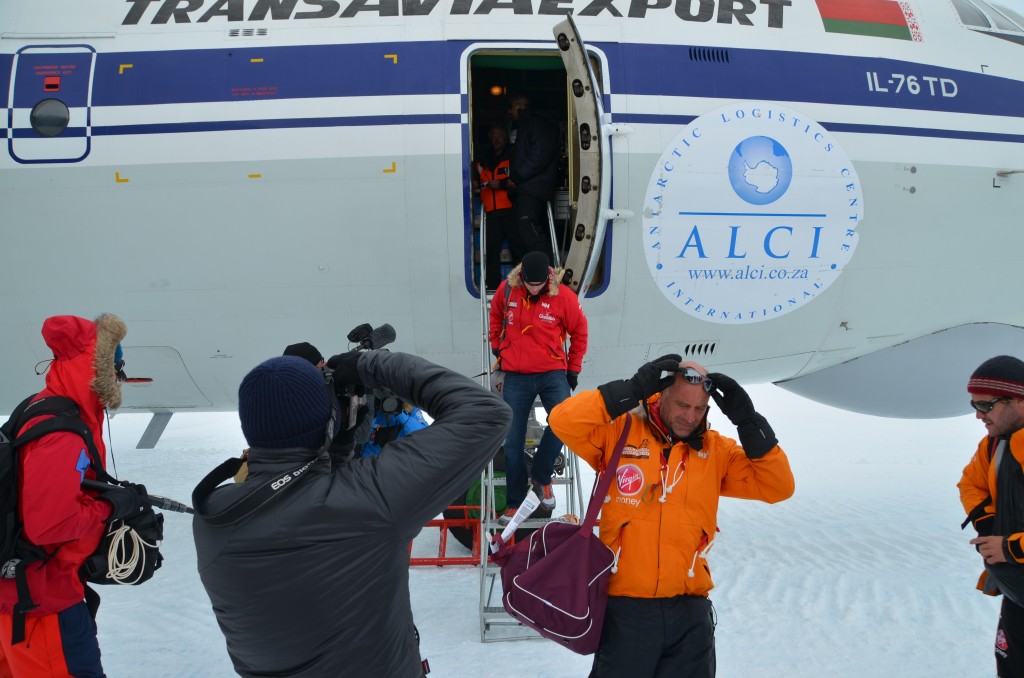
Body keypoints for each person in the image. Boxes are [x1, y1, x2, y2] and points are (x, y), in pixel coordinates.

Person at [192, 350, 511, 678]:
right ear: (331, 419)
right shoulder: (372, 502)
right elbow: (486, 413)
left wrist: (340, 446)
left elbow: (308, 509)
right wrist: (369, 366)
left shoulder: (213, 517)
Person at [548, 355, 795, 677]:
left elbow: (778, 487)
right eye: (681, 404)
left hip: (690, 613)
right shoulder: (619, 434)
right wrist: (630, 390)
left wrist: (748, 421)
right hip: (626, 608)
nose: (689, 416)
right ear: (660, 395)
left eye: (699, 409)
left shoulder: (716, 451)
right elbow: (562, 421)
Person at [0, 313, 147, 678]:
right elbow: (50, 526)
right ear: (100, 368)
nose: (121, 377)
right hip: (42, 609)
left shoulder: (40, 407)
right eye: (119, 367)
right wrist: (111, 505)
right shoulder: (63, 434)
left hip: (17, 598)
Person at [489, 250, 588, 524]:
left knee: (564, 422)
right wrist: (496, 345)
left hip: (552, 371)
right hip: (516, 374)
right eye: (529, 284)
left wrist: (574, 368)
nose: (533, 288)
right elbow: (495, 316)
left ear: (547, 279)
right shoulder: (507, 289)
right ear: (521, 277)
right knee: (512, 442)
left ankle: (542, 476)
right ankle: (515, 501)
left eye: (538, 284)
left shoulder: (564, 297)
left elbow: (580, 331)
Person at [958, 355, 1024, 677]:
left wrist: (1011, 548)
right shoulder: (995, 444)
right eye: (974, 405)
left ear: (1019, 400)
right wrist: (989, 525)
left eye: (986, 405)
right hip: (1017, 596)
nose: (978, 415)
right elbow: (971, 483)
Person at [507, 96, 559, 262]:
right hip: (527, 187)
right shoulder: (528, 124)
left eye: (512, 107)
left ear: (520, 108)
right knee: (520, 236)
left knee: (529, 230)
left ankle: (547, 272)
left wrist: (517, 175)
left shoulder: (535, 123)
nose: (510, 112)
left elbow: (540, 153)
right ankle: (528, 278)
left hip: (533, 188)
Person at [474, 124, 517, 291]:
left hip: (511, 210)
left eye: (499, 136)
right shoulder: (483, 159)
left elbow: (520, 178)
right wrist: (473, 181)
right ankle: (493, 286)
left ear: (505, 138)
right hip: (491, 213)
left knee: (517, 248)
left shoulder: (513, 156)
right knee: (491, 251)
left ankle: (519, 284)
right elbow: (472, 170)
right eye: (492, 136)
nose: (496, 139)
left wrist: (502, 183)